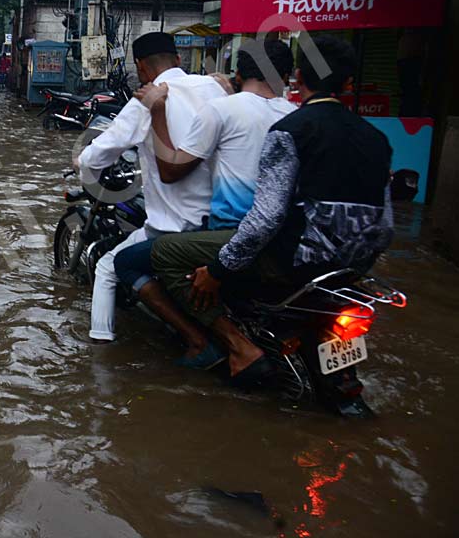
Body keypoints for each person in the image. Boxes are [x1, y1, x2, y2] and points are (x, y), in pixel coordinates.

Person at [149, 35, 394, 386]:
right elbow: (385, 227)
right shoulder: (376, 138)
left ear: (298, 76)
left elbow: (266, 219)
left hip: (294, 263)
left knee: (166, 253)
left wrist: (217, 270)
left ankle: (238, 347)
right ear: (349, 83)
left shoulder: (290, 130)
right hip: (351, 270)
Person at [113, 40, 297, 368]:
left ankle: (213, 342)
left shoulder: (224, 109)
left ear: (239, 73)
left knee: (130, 261)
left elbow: (170, 170)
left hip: (232, 235)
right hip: (287, 241)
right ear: (288, 76)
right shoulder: (297, 115)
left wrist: (157, 110)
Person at [77, 32, 228, 345]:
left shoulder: (147, 101)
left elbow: (103, 148)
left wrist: (82, 163)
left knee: (108, 267)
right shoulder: (214, 87)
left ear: (141, 68)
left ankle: (99, 350)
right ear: (177, 59)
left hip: (175, 227)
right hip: (221, 221)